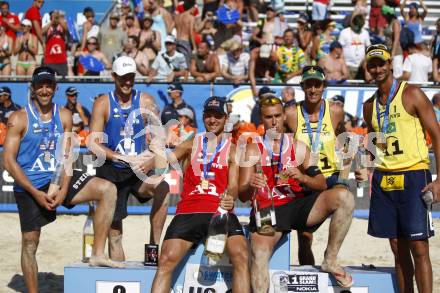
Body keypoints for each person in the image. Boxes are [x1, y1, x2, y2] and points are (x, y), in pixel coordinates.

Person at [3, 66, 122, 293]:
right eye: (40, 86)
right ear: (33, 88)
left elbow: (67, 157)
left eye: (49, 85)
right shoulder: (18, 118)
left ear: (55, 88)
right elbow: (8, 161)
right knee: (30, 243)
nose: (45, 90)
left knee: (107, 189)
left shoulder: (65, 116)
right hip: (30, 185)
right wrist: (36, 192)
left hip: (57, 178)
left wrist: (64, 188)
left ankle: (97, 254)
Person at [238, 92, 355, 291]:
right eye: (268, 117)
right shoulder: (253, 149)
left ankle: (330, 259)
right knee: (259, 253)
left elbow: (321, 183)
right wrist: (251, 184)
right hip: (268, 209)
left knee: (344, 197)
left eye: (277, 116)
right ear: (261, 119)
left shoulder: (298, 147)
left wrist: (303, 178)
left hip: (297, 206)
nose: (274, 121)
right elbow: (241, 195)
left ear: (284, 116)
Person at [151, 96, 250, 293]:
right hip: (190, 210)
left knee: (241, 255)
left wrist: (230, 197)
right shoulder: (190, 144)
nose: (213, 120)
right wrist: (152, 160)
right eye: (209, 116)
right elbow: (164, 161)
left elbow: (233, 186)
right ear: (203, 117)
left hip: (219, 210)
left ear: (226, 118)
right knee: (165, 260)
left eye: (218, 116)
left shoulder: (232, 149)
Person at [363, 44, 440, 293]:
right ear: (368, 69)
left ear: (390, 65)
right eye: (372, 65)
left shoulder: (412, 94)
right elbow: (376, 142)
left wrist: (439, 181)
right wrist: (365, 166)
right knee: (397, 248)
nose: (377, 69)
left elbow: (437, 136)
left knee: (419, 246)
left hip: (414, 175)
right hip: (385, 178)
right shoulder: (368, 106)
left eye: (381, 63)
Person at [89, 56, 169, 261]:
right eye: (123, 77)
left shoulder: (146, 101)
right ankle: (119, 274)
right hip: (111, 171)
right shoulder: (102, 103)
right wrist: (121, 157)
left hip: (138, 169)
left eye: (131, 77)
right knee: (115, 235)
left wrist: (150, 159)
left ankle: (153, 248)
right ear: (114, 77)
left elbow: (159, 138)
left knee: (163, 188)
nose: (127, 82)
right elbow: (92, 143)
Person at [286, 66, 349, 267]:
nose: (313, 89)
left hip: (330, 177)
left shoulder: (335, 111)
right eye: (308, 85)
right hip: (307, 180)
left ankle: (330, 257)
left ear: (324, 87)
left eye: (317, 85)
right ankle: (308, 277)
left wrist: (345, 175)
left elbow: (346, 141)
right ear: (302, 87)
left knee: (345, 199)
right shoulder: (291, 114)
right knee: (304, 239)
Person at [338, 14, 370, 79]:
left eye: (360, 27)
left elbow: (368, 47)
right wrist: (342, 64)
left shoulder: (365, 33)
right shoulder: (344, 32)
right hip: (347, 65)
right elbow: (339, 49)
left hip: (361, 67)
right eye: (357, 26)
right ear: (353, 23)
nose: (358, 28)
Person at [42, 10, 69, 77]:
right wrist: (52, 21)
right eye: (54, 17)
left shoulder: (61, 27)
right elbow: (41, 32)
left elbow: (66, 29)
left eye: (57, 17)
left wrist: (59, 18)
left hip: (61, 60)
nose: (55, 19)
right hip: (49, 60)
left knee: (63, 80)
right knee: (48, 79)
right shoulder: (48, 27)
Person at [174, 0, 197, 67]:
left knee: (177, 65)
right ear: (192, 7)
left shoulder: (178, 17)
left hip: (177, 41)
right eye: (195, 7)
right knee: (186, 66)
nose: (195, 9)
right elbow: (191, 33)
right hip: (185, 42)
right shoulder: (191, 17)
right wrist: (194, 47)